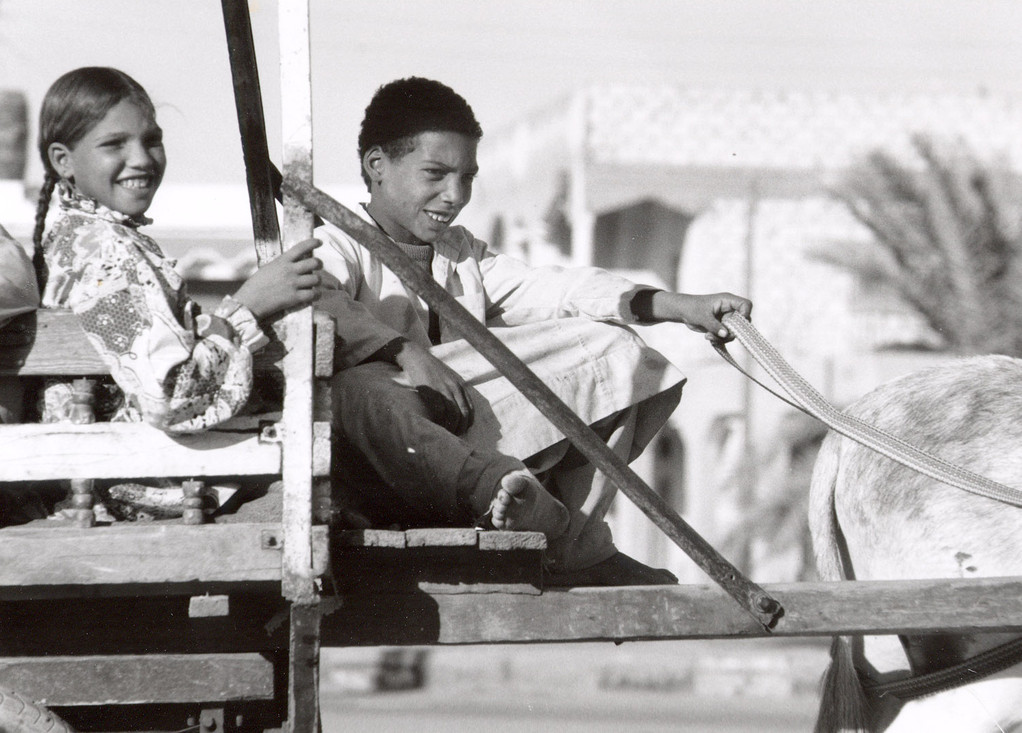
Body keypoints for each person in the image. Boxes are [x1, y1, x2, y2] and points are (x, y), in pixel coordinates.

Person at [316, 77, 753, 586]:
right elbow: (315, 302)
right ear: (377, 166)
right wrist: (409, 354)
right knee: (357, 390)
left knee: (616, 350)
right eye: (435, 174)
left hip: (460, 431)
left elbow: (555, 289)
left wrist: (676, 306)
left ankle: (576, 546)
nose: (454, 196)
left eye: (467, 177)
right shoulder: (336, 244)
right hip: (379, 461)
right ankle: (501, 493)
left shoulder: (462, 254)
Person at [27, 66, 322, 520]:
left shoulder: (75, 235)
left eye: (151, 140)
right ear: (63, 160)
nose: (141, 158)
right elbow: (174, 392)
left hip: (108, 467)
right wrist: (248, 307)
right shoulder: (106, 250)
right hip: (137, 478)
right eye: (114, 144)